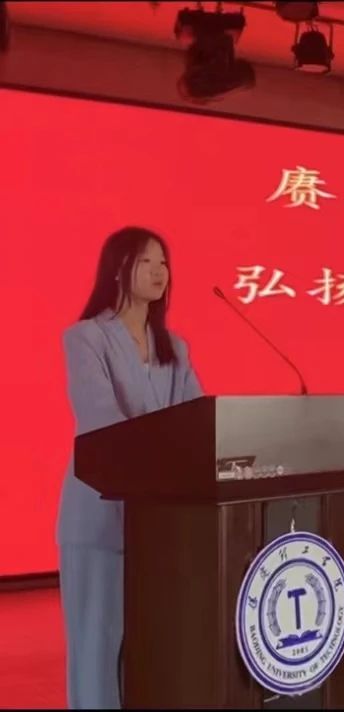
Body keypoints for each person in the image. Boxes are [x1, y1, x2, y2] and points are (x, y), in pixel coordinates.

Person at [57, 226, 203, 709]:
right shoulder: (86, 337)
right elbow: (101, 421)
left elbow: (196, 419)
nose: (159, 272)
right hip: (99, 515)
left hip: (159, 522)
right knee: (98, 647)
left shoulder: (175, 347)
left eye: (164, 262)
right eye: (146, 262)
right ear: (118, 269)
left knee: (152, 647)